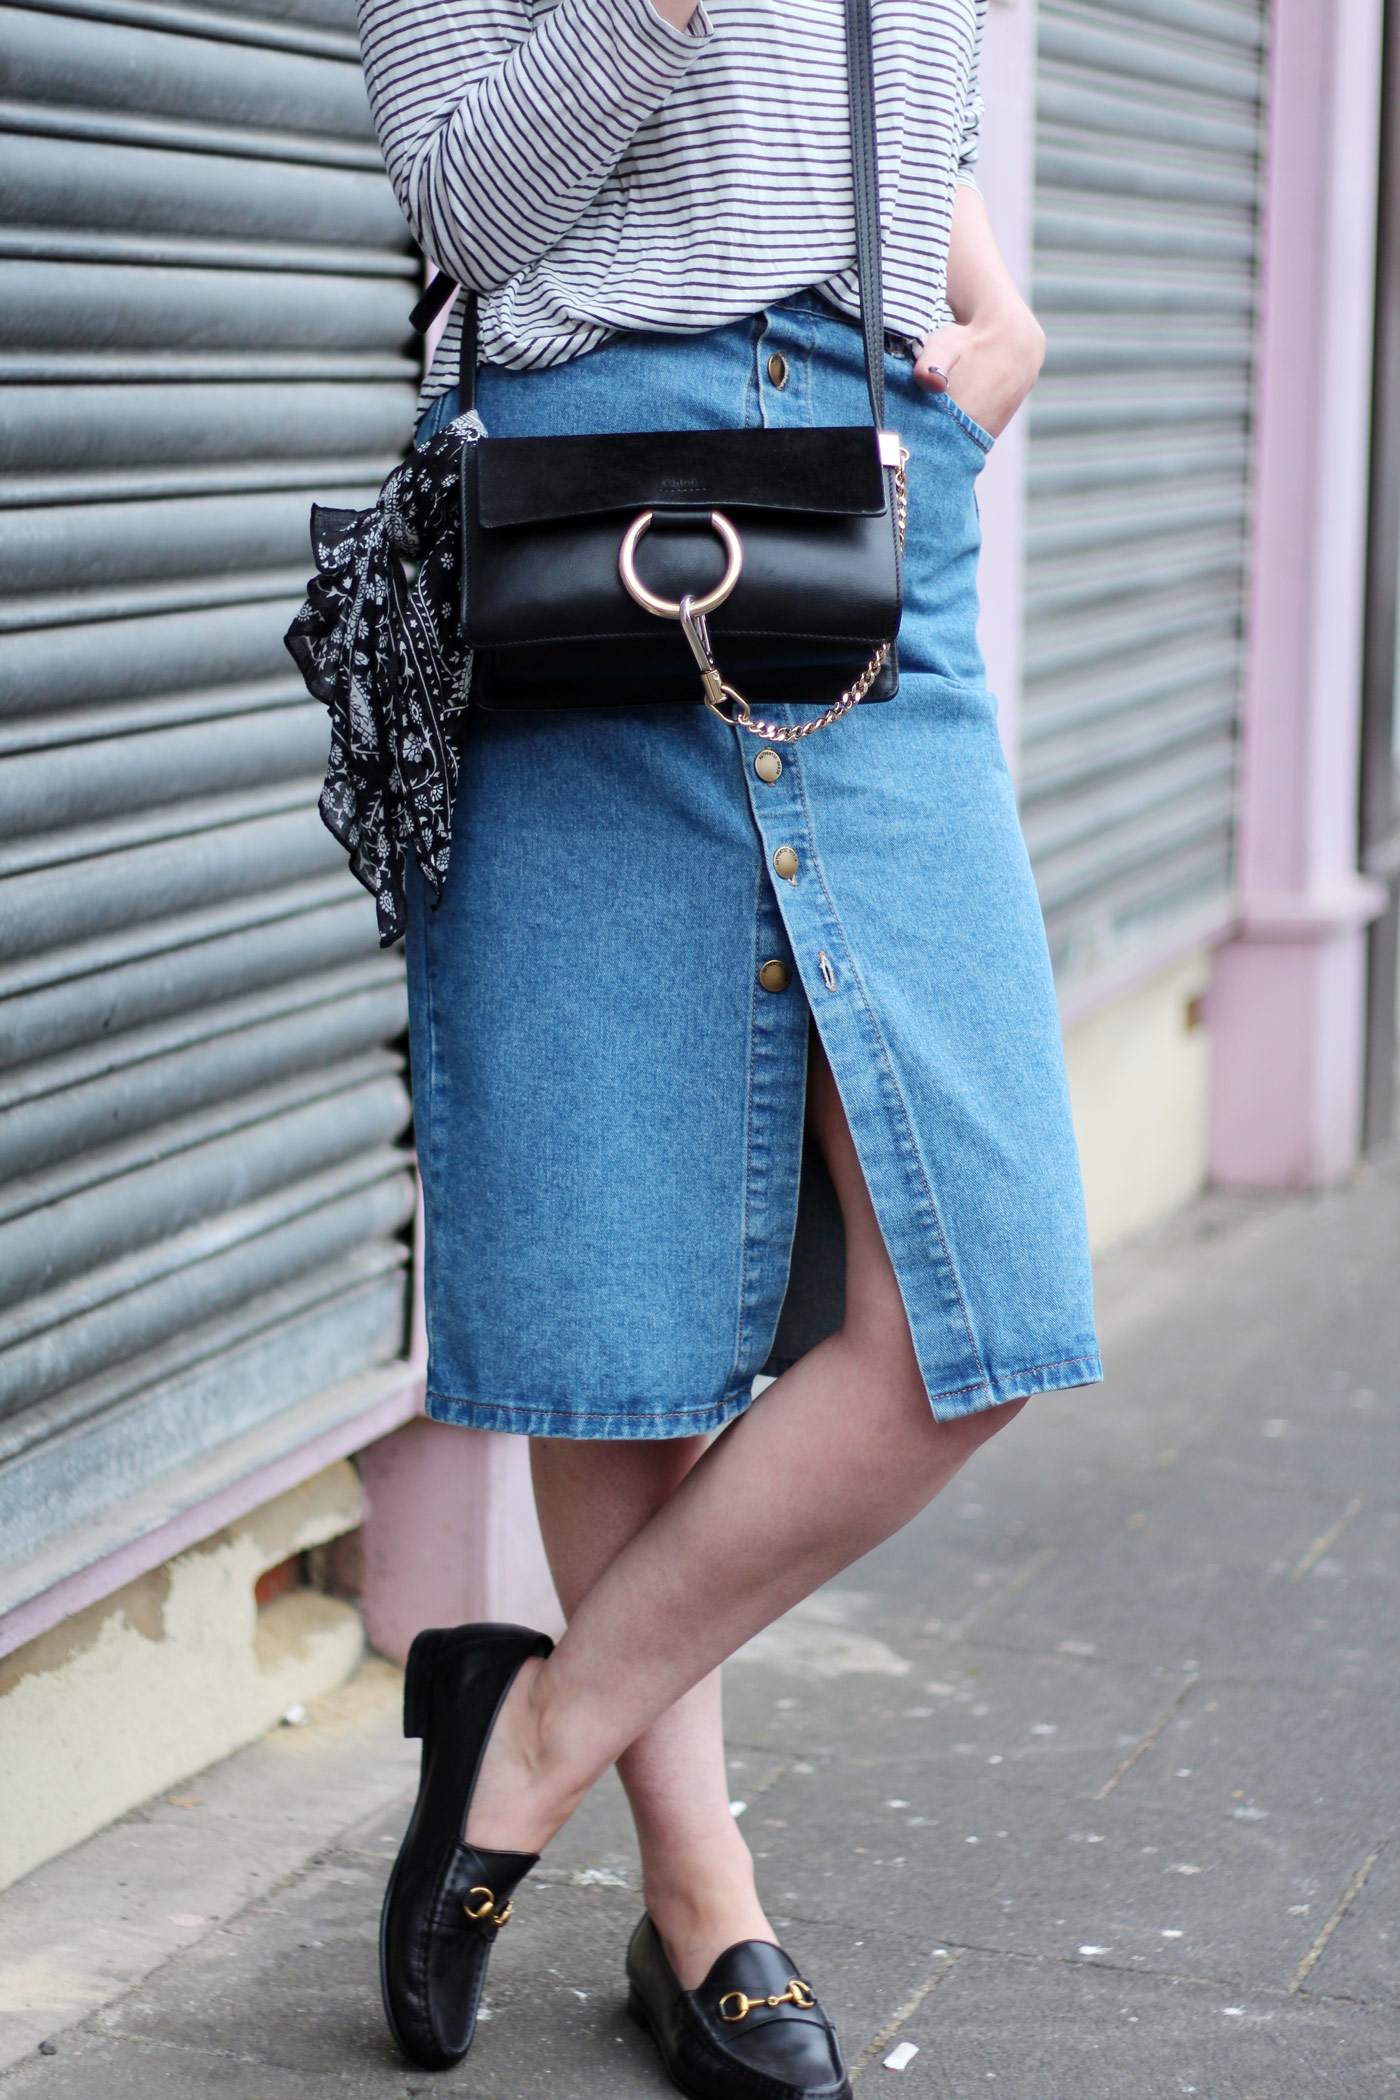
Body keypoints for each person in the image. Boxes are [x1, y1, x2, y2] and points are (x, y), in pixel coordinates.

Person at [358, 0, 1105, 2092]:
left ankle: (518, 1744)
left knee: (990, 1292)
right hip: (580, 493)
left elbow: (870, 110)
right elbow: (467, 210)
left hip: (871, 500)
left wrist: (989, 293)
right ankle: (702, 1907)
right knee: (620, 1278)